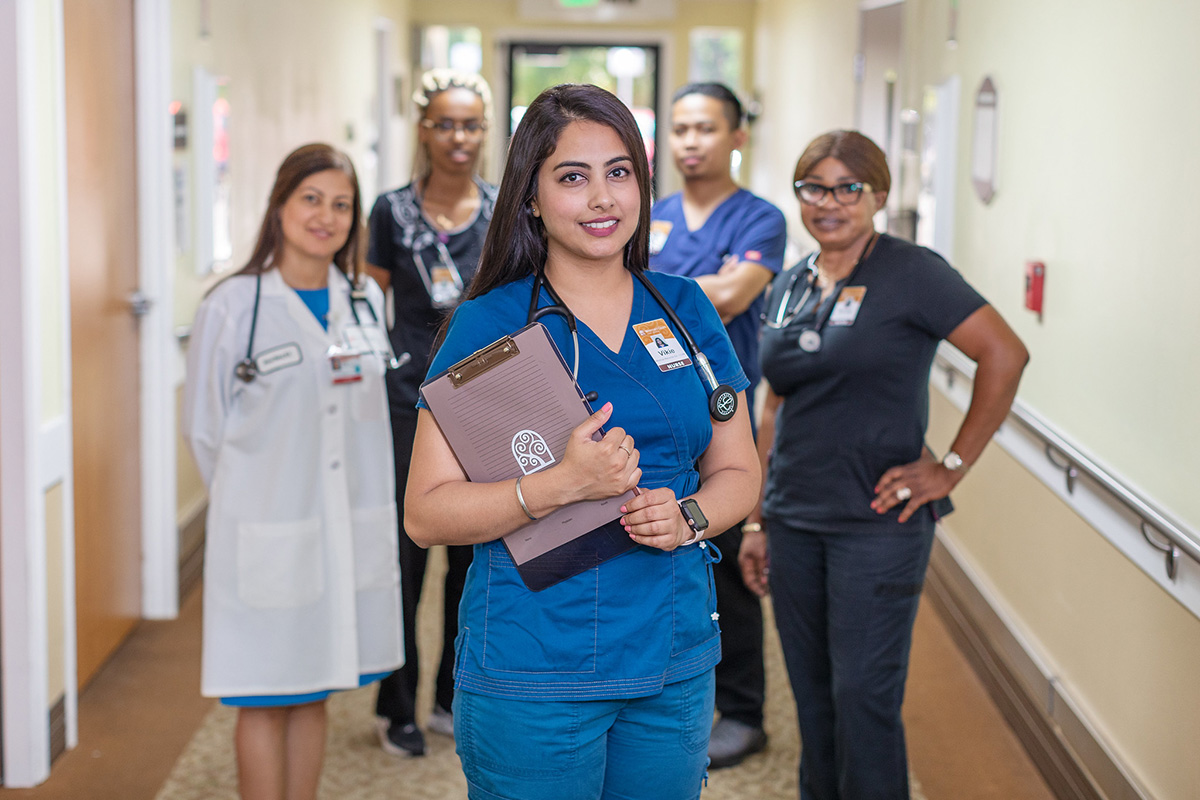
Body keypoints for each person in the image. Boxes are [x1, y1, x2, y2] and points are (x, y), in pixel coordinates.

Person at [404, 84, 761, 800]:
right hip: (534, 666)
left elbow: (738, 470)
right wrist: (559, 484)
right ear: (531, 196)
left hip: (673, 658)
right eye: (573, 176)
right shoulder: (490, 326)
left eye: (620, 171)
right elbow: (426, 514)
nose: (602, 198)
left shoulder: (685, 308)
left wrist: (690, 516)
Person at [739, 130, 1029, 800]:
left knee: (862, 698)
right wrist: (757, 520)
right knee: (812, 699)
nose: (830, 202)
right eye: (814, 187)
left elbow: (1004, 354)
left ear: (879, 195)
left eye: (849, 188)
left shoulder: (912, 272)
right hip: (794, 516)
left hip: (877, 522)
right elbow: (771, 411)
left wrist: (950, 466)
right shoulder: (788, 285)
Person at [183, 143, 403, 800]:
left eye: (341, 205)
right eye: (311, 199)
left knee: (313, 694)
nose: (326, 216)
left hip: (342, 525)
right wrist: (255, 494)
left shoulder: (364, 301)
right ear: (279, 204)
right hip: (266, 528)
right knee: (263, 696)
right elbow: (204, 430)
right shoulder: (232, 306)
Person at [649, 81, 786, 769]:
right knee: (658, 546)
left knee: (727, 557)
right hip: (653, 408)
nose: (690, 142)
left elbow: (734, 295)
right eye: (679, 129)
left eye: (705, 128)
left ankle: (745, 709)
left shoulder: (759, 218)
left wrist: (645, 286)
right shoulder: (652, 214)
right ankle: (666, 693)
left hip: (723, 409)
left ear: (737, 136)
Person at [365, 68, 497, 758]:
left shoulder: (504, 207)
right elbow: (368, 304)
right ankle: (398, 705)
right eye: (445, 123)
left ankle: (450, 692)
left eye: (471, 123)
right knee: (407, 559)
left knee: (472, 553)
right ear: (423, 129)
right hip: (405, 399)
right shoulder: (390, 211)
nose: (459, 137)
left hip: (482, 398)